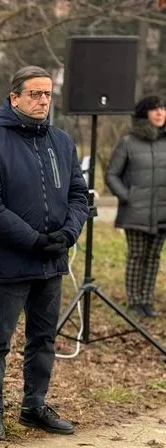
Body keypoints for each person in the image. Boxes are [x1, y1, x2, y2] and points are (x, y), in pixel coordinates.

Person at [0, 66, 89, 441]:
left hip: (51, 261)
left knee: (43, 338)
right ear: (14, 98)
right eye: (35, 94)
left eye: (47, 94)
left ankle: (33, 406)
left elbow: (78, 194)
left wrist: (68, 232)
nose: (42, 101)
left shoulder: (62, 142)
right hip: (9, 262)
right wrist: (33, 239)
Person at [105, 95, 166, 318]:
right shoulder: (128, 143)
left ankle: (147, 302)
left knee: (154, 257)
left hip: (162, 212)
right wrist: (128, 197)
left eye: (162, 108)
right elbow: (111, 175)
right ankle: (134, 302)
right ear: (144, 115)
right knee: (137, 255)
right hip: (135, 212)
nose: (160, 113)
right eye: (154, 109)